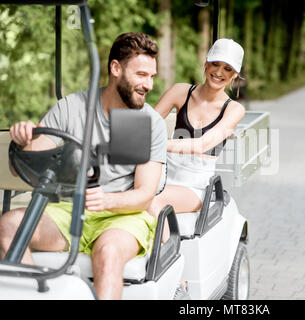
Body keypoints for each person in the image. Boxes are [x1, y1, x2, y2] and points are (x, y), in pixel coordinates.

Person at [0, 32, 167, 300]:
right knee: (7, 225)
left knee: (108, 252)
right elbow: (27, 163)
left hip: (122, 217)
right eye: (141, 75)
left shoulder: (152, 124)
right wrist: (23, 143)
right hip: (68, 210)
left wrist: (106, 200)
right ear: (116, 69)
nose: (148, 85)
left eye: (152, 77)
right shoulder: (71, 107)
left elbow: (144, 194)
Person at [148, 39, 245, 238]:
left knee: (151, 201)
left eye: (227, 69)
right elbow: (149, 126)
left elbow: (203, 144)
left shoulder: (234, 109)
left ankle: (168, 261)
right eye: (215, 64)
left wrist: (157, 144)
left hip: (195, 186)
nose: (219, 73)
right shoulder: (180, 91)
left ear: (234, 75)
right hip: (163, 173)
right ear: (206, 63)